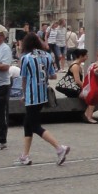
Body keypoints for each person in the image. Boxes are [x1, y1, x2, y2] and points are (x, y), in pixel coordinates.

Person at [16, 32, 69, 167]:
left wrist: (23, 94)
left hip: (31, 95)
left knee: (34, 126)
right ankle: (25, 156)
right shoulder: (47, 56)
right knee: (27, 124)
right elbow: (53, 76)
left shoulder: (26, 58)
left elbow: (23, 78)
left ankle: (59, 148)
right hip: (42, 95)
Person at [83, 49, 98, 123]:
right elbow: (96, 71)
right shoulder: (94, 66)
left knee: (93, 98)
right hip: (93, 86)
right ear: (97, 57)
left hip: (96, 86)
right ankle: (89, 116)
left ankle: (87, 115)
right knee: (93, 97)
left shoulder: (96, 65)